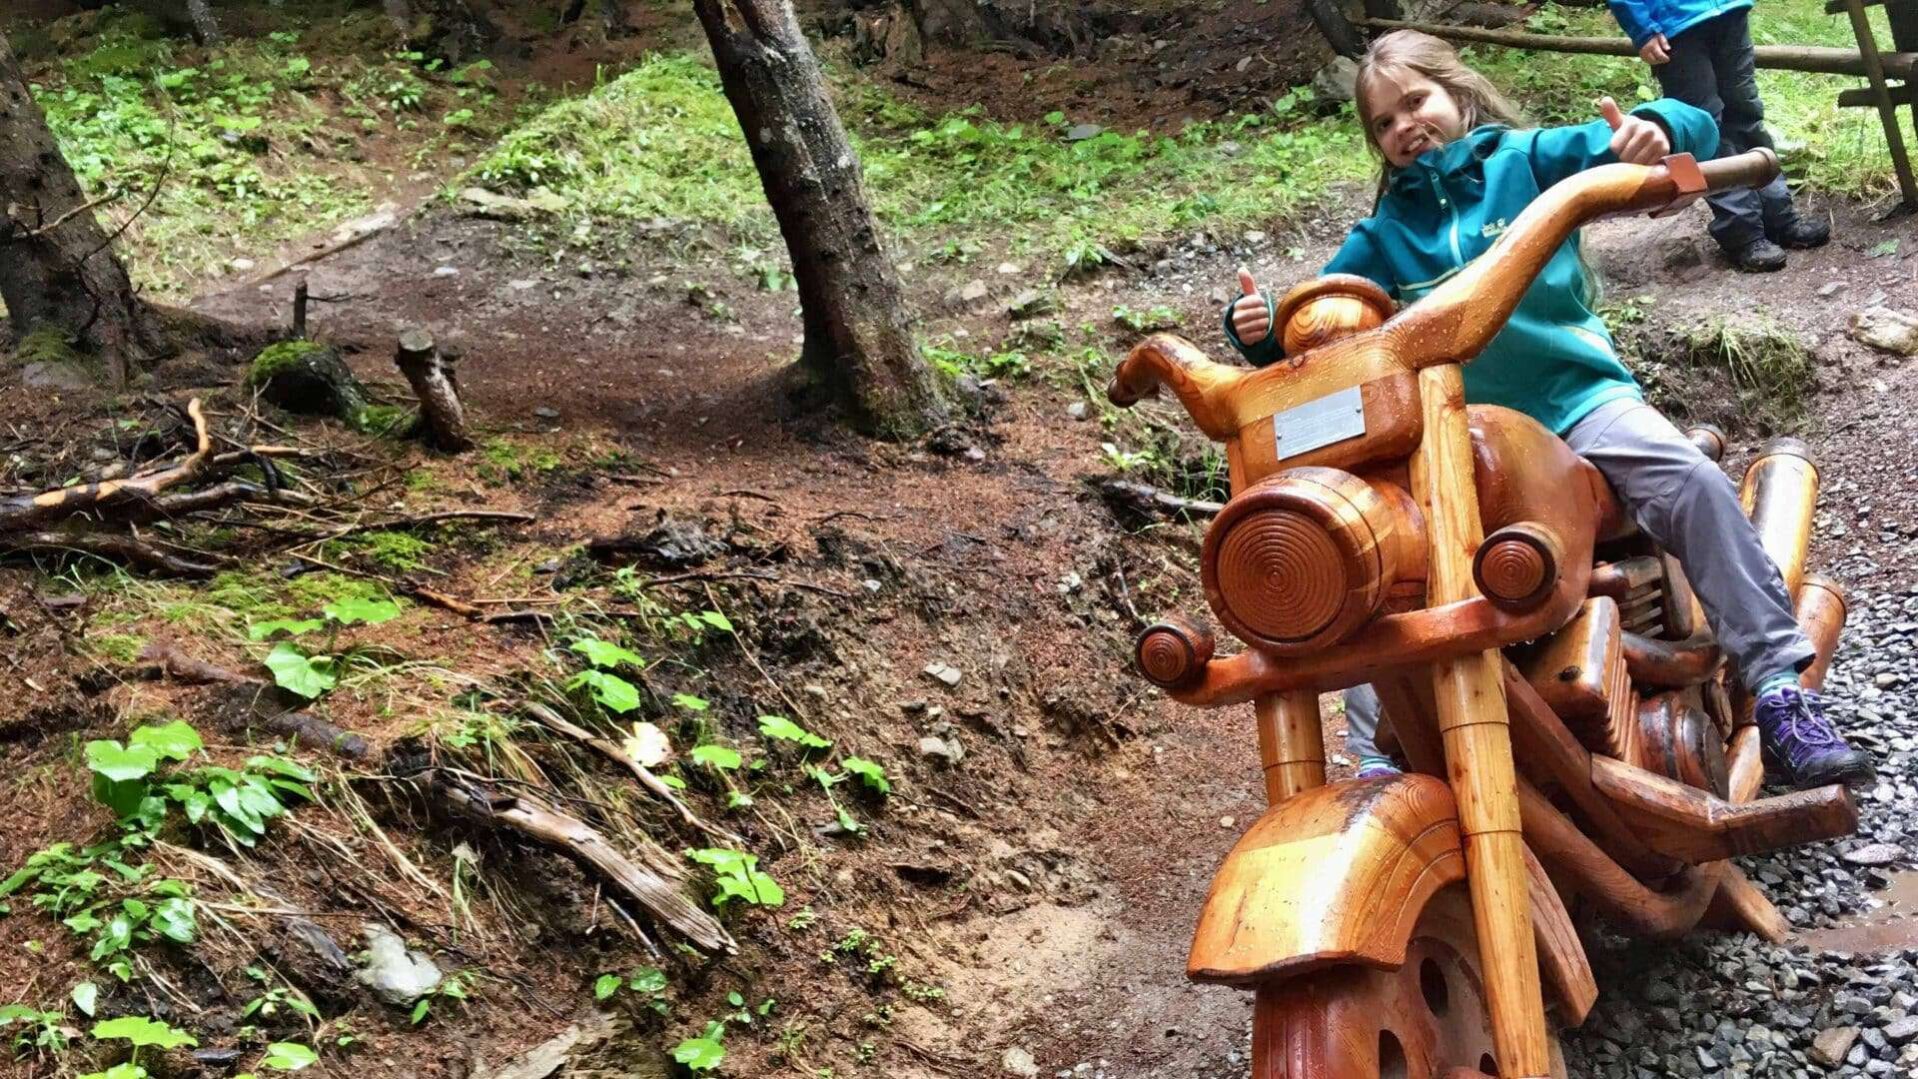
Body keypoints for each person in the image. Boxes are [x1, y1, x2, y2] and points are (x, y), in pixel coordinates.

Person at [1221, 30, 1873, 790]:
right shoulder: (1384, 236)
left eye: (1416, 102)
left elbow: (1689, 128)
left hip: (1576, 402)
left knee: (1687, 478)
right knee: (1382, 551)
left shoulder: (1526, 161)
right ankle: (1379, 752)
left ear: (1457, 96)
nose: (1405, 126)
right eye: (1384, 123)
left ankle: (1780, 690)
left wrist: (1654, 132)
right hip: (1456, 441)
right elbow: (1324, 328)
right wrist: (1266, 329)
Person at [1608, 0, 1829, 271]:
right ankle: (1743, 234)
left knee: (1746, 113)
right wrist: (1641, 27)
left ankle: (1780, 218)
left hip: (1730, 10)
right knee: (1705, 128)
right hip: (1674, 26)